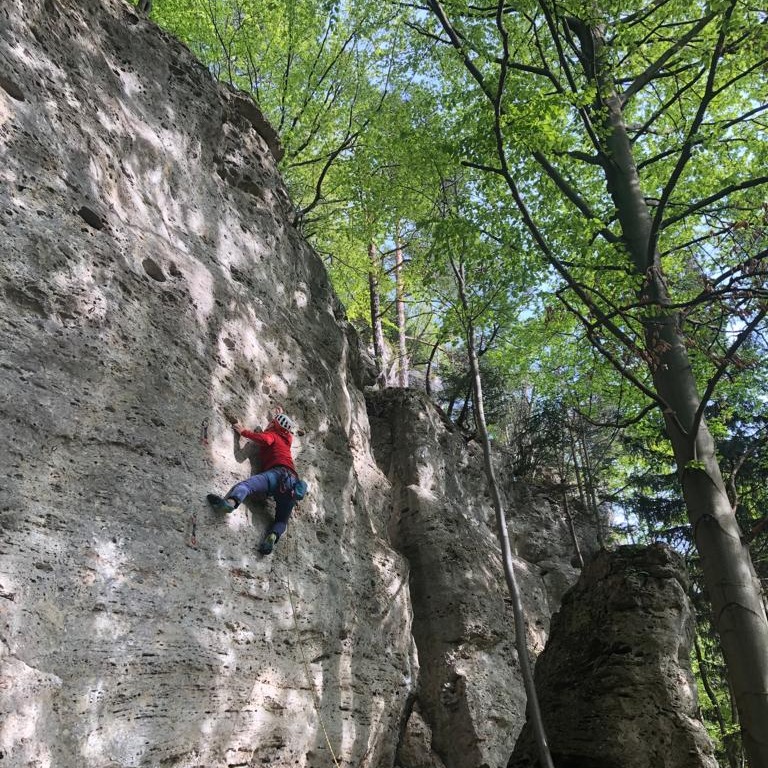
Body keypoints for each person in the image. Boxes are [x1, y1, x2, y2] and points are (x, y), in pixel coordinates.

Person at [207, 412, 304, 555]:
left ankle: (230, 503)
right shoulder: (286, 441)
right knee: (281, 521)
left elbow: (263, 439)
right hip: (293, 485)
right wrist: (279, 415)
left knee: (246, 486)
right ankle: (273, 535)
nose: (268, 424)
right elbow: (285, 431)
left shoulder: (273, 435)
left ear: (274, 425)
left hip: (277, 475)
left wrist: (243, 431)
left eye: (271, 423)